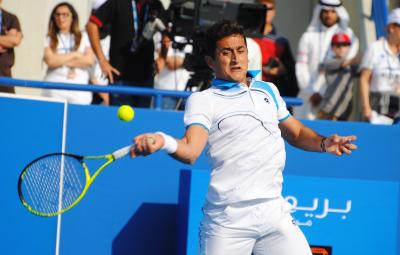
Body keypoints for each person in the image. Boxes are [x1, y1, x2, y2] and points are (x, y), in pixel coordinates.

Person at [130, 20, 357, 255]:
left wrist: (323, 142)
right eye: (226, 53)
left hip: (273, 213)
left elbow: (297, 133)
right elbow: (190, 150)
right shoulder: (203, 100)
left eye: (240, 51)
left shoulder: (268, 90)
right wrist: (163, 140)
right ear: (210, 61)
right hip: (228, 220)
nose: (236, 59)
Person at [86, 0, 165, 107]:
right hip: (120, 76)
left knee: (142, 121)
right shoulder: (118, 2)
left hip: (145, 77)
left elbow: (167, 32)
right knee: (120, 122)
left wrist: (163, 57)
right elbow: (91, 24)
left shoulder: (155, 5)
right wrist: (102, 61)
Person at [295, 0, 359, 120]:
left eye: (333, 12)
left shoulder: (349, 36)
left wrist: (322, 93)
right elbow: (301, 66)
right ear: (319, 12)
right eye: (325, 11)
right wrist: (310, 92)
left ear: (339, 13)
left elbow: (343, 66)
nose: (329, 15)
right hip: (308, 96)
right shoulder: (308, 36)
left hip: (335, 98)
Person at [42, 2, 95, 105]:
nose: (61, 18)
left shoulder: (83, 36)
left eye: (65, 14)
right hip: (54, 88)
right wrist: (75, 54)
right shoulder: (49, 38)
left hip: (78, 89)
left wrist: (60, 60)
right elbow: (50, 61)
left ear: (72, 17)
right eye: (57, 14)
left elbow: (89, 60)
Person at [359, 8, 400, 124]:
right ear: (391, 28)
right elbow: (364, 79)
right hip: (377, 108)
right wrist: (366, 109)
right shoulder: (375, 48)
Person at [252, 0, 298, 98]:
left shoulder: (281, 40)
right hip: (248, 90)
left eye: (270, 9)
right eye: (263, 8)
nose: (266, 12)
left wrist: (282, 70)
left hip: (272, 93)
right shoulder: (244, 36)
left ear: (274, 11)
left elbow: (290, 72)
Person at [316, 33, 359, 120]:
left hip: (344, 110)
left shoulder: (351, 65)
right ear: (332, 48)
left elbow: (364, 73)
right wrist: (363, 56)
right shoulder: (328, 62)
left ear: (349, 47)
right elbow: (344, 63)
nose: (341, 48)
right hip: (328, 110)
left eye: (345, 45)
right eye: (338, 45)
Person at [154, 31, 190, 110]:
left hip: (189, 93)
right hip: (166, 92)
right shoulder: (161, 35)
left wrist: (183, 61)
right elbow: (167, 64)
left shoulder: (192, 38)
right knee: (163, 121)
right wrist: (186, 61)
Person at [0, 0, 22, 94]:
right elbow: (11, 40)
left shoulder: (11, 18)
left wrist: (11, 40)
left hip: (4, 76)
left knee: (8, 107)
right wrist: (5, 39)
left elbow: (15, 40)